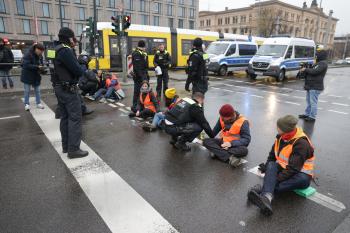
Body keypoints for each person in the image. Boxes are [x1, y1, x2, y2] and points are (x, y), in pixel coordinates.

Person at [247, 115, 315, 216]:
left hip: (301, 174)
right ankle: (267, 198)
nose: (276, 128)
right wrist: (267, 167)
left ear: (285, 130)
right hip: (285, 169)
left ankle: (263, 190)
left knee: (300, 179)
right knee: (271, 164)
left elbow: (293, 169)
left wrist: (274, 180)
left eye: (278, 127)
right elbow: (272, 156)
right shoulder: (281, 137)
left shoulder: (301, 144)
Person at [52, 27, 89, 159]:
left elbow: (53, 67)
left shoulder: (54, 49)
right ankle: (73, 149)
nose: (74, 41)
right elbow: (78, 71)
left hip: (58, 87)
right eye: (73, 38)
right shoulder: (66, 51)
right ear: (69, 38)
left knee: (65, 117)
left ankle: (66, 146)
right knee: (75, 118)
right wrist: (84, 64)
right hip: (68, 89)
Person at [298, 49, 328, 122]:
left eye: (317, 55)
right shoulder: (318, 63)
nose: (316, 56)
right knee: (308, 101)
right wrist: (307, 67)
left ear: (321, 56)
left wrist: (305, 69)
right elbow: (312, 70)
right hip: (311, 86)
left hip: (315, 86)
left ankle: (312, 117)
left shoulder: (323, 64)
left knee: (313, 102)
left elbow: (315, 71)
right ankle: (307, 114)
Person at [20, 43, 46, 111]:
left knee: (37, 90)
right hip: (27, 75)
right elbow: (26, 65)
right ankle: (26, 104)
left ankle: (38, 103)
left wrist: (42, 68)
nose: (41, 53)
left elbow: (41, 64)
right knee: (27, 91)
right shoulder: (28, 54)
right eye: (41, 51)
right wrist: (37, 67)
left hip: (35, 75)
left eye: (42, 51)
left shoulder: (40, 55)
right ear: (37, 49)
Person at [131, 40, 149, 111]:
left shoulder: (143, 53)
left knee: (144, 92)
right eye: (145, 47)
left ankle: (141, 106)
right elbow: (137, 68)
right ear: (143, 46)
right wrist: (143, 79)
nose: (145, 48)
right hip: (139, 77)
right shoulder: (136, 54)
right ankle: (135, 107)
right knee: (137, 92)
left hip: (144, 75)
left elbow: (145, 66)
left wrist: (146, 76)